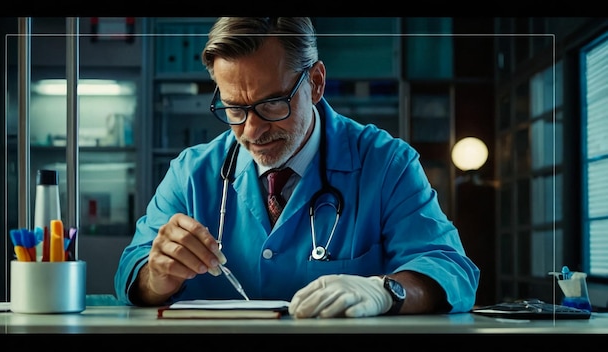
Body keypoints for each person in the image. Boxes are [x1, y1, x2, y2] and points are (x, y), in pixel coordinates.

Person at [114, 17, 480, 318]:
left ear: (316, 83)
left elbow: (450, 268)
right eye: (234, 109)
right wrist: (156, 277)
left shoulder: (386, 164)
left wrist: (386, 290)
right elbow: (131, 270)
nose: (252, 131)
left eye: (272, 104)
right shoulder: (191, 174)